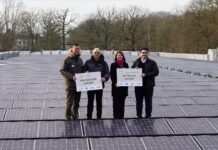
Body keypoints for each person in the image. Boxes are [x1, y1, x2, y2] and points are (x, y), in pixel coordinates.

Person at [132, 48, 159, 118]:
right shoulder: (136, 62)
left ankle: (148, 115)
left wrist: (145, 74)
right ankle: (139, 115)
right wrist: (134, 70)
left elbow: (156, 72)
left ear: (148, 53)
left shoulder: (152, 62)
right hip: (138, 86)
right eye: (142, 52)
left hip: (148, 86)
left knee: (148, 102)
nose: (144, 54)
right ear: (140, 53)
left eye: (145, 52)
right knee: (138, 102)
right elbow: (131, 71)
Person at [83, 48, 110, 119]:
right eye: (95, 52)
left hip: (99, 85)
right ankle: (89, 116)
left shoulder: (104, 63)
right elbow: (83, 71)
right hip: (90, 85)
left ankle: (99, 116)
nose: (97, 54)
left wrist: (105, 78)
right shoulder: (88, 62)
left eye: (98, 52)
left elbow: (107, 73)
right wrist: (85, 73)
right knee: (90, 102)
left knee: (99, 102)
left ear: (100, 53)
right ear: (92, 53)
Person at [60, 43, 83, 120]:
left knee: (77, 102)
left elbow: (82, 71)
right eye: (75, 48)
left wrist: (86, 74)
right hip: (70, 85)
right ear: (72, 49)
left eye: (78, 49)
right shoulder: (67, 59)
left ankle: (75, 115)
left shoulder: (80, 60)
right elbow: (62, 70)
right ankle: (68, 116)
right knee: (69, 102)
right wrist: (71, 77)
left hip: (79, 85)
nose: (77, 50)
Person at [110, 51, 129, 119]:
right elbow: (112, 75)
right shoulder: (113, 65)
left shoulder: (126, 65)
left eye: (121, 55)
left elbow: (128, 75)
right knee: (115, 103)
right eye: (118, 55)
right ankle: (115, 117)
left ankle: (121, 117)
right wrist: (115, 83)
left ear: (123, 56)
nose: (120, 56)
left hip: (123, 87)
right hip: (116, 87)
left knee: (122, 103)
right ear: (116, 57)